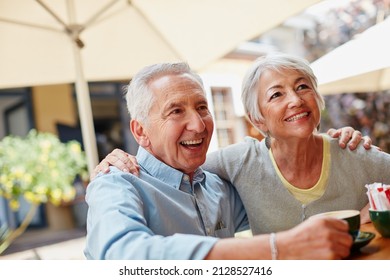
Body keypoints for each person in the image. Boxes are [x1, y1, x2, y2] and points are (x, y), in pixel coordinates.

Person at [85, 61, 354, 260]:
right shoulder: (115, 184)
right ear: (140, 131)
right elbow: (121, 256)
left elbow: (288, 207)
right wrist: (277, 247)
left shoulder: (218, 186)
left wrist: (327, 148)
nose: (198, 124)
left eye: (202, 107)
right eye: (176, 111)